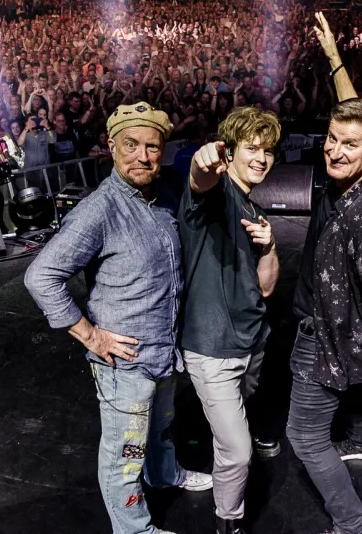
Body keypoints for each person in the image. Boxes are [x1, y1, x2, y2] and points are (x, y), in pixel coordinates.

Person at [24, 103, 212, 534]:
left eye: (152, 147)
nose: (142, 156)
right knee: (125, 456)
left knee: (161, 430)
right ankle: (133, 528)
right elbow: (41, 277)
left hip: (162, 353)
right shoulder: (99, 210)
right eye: (131, 145)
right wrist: (91, 336)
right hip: (124, 364)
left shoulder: (162, 197)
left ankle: (165, 475)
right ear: (111, 146)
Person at [285, 13, 362, 534]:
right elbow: (355, 117)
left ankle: (353, 525)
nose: (335, 151)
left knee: (304, 437)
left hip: (326, 337)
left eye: (348, 145)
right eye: (331, 139)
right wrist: (335, 59)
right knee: (337, 418)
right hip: (335, 326)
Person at [179, 107, 282, 534]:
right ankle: (229, 522)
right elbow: (199, 180)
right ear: (230, 151)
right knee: (238, 451)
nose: (261, 158)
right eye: (252, 148)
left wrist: (269, 245)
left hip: (253, 342)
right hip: (214, 347)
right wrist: (202, 163)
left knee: (237, 421)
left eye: (268, 151)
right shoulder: (217, 192)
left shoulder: (254, 209)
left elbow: (267, 287)